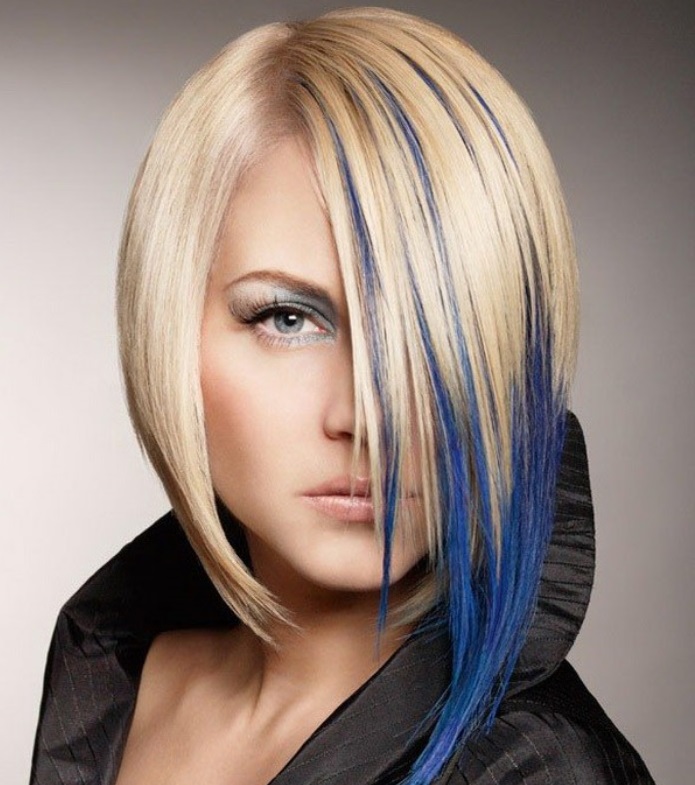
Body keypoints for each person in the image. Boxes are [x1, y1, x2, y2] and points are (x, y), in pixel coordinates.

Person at [30, 7, 655, 784]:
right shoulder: (116, 675)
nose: (367, 418)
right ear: (167, 325)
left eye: (431, 329)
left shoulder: (535, 767)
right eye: (288, 318)